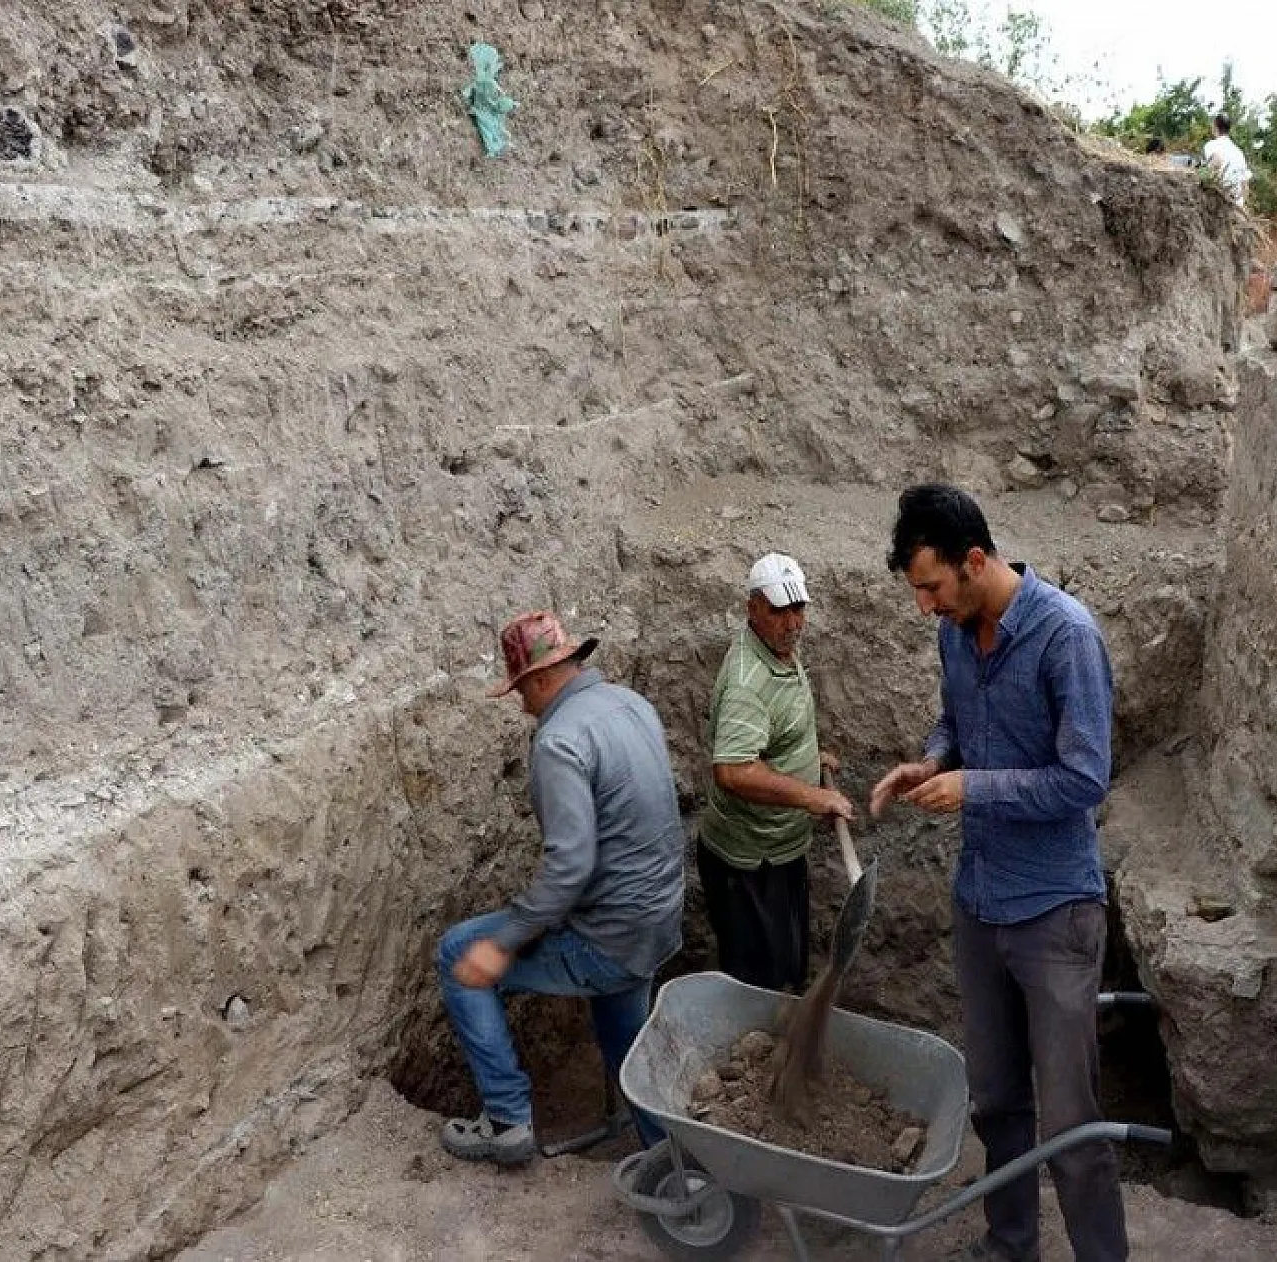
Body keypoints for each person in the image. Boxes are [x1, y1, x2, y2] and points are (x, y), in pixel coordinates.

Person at [871, 485, 1126, 1262]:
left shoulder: (1065, 638)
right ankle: (1011, 1245)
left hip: (1054, 912)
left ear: (975, 561)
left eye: (933, 588)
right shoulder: (957, 632)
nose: (925, 607)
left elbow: (1086, 780)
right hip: (980, 902)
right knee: (998, 1101)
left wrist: (975, 786)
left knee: (1072, 1125)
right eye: (917, 590)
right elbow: (958, 718)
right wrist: (935, 760)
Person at [437, 610, 685, 1163]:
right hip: (656, 919)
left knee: (459, 952)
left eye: (521, 691)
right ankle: (670, 1154)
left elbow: (570, 866)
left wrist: (502, 945)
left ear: (542, 679)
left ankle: (507, 1121)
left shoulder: (560, 739)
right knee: (625, 1034)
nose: (522, 706)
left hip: (609, 933)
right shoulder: (632, 704)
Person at [696, 552, 853, 992]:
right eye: (779, 611)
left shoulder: (777, 651)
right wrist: (813, 797)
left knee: (785, 970)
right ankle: (752, 1059)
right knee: (757, 987)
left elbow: (769, 733)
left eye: (798, 609)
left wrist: (807, 757)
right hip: (747, 864)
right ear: (753, 609)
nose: (792, 623)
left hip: (776, 853)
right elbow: (733, 770)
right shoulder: (749, 682)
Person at [1201, 113, 1250, 205]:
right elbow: (1245, 187)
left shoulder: (1211, 145)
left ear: (1215, 127)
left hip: (1220, 204)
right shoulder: (1239, 152)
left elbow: (1216, 161)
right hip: (1237, 206)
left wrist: (1201, 176)